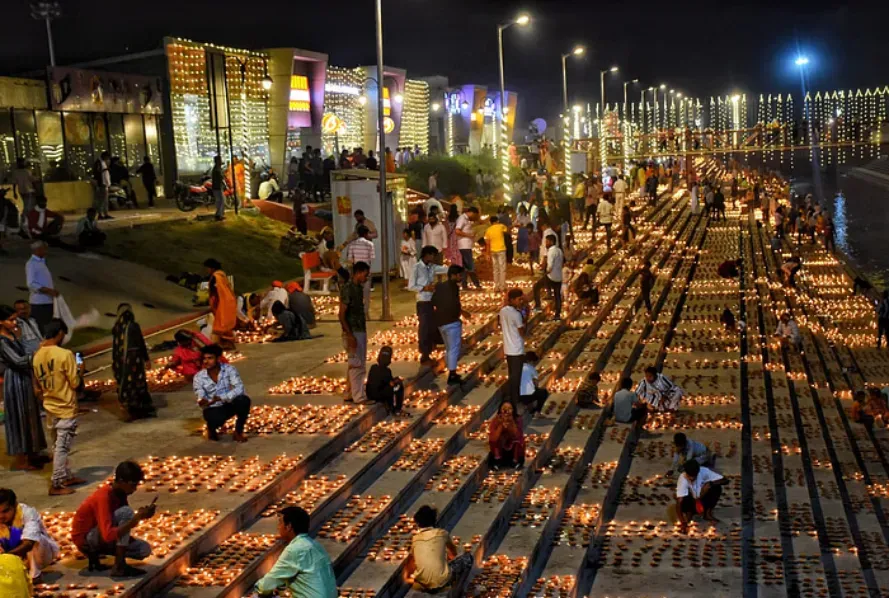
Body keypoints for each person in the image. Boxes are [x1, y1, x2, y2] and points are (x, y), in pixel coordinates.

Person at [32, 318, 87, 495]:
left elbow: (38, 385)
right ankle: (56, 483)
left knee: (58, 444)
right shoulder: (65, 355)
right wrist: (80, 369)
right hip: (65, 407)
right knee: (62, 447)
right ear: (60, 333)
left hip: (49, 406)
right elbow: (74, 383)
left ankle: (65, 476)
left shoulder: (37, 355)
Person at [71, 461, 155, 576]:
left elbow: (120, 527)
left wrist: (143, 516)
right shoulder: (103, 496)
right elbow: (108, 534)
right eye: (132, 485)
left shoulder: (121, 494)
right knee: (126, 512)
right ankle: (119, 566)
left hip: (102, 536)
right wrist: (136, 519)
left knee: (144, 549)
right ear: (121, 481)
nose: (134, 489)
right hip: (87, 540)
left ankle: (117, 562)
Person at [0, 305, 47, 471]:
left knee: (30, 415)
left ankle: (33, 452)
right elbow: (18, 361)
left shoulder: (11, 334)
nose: (14, 322)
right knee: (19, 418)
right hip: (15, 381)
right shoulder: (1, 341)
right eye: (10, 320)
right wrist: (37, 354)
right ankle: (21, 459)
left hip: (24, 378)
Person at [253, 506, 337, 597]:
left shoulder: (295, 550)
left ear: (288, 527)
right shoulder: (316, 545)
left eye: (280, 523)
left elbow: (266, 585)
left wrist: (259, 590)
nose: (278, 527)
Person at [404, 505, 473, 592]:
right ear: (434, 520)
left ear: (417, 523)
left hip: (422, 584)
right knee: (467, 558)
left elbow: (410, 562)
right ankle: (460, 589)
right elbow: (453, 555)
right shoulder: (442, 533)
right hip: (442, 582)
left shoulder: (415, 539)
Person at [193, 344, 251, 441]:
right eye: (204, 358)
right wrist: (202, 400)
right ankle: (211, 429)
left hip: (228, 404)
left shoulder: (229, 370)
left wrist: (222, 397)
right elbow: (200, 392)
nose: (206, 361)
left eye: (210, 358)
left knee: (244, 400)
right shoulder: (199, 377)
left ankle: (238, 432)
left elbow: (239, 388)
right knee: (216, 419)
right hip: (213, 408)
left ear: (218, 358)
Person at [0, 488, 60, 580]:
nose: (1, 516)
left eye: (5, 511)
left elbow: (29, 543)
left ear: (15, 505)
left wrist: (5, 556)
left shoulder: (28, 513)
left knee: (36, 538)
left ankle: (35, 576)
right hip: (10, 557)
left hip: (39, 556)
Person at [111, 304, 155, 421]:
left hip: (120, 363)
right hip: (133, 361)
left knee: (125, 384)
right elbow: (140, 343)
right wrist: (146, 359)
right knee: (136, 384)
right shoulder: (133, 326)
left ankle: (129, 408)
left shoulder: (116, 328)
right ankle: (139, 409)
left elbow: (115, 348)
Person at [409, 246, 449, 366]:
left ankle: (431, 348)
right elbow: (411, 286)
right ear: (427, 255)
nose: (434, 258)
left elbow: (445, 269)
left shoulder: (432, 267)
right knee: (424, 328)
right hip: (422, 302)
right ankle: (424, 355)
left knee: (432, 326)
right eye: (432, 255)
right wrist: (424, 288)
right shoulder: (416, 267)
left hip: (432, 301)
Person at [433, 265, 470, 385]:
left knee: (449, 348)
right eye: (459, 275)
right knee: (453, 348)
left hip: (440, 322)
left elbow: (434, 301)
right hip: (451, 323)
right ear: (453, 275)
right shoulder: (453, 288)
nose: (461, 277)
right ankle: (452, 374)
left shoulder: (440, 286)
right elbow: (454, 304)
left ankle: (451, 370)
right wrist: (458, 316)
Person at [339, 261, 370, 403]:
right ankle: (359, 397)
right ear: (359, 272)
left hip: (360, 329)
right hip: (353, 331)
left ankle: (350, 392)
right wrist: (349, 334)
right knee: (357, 364)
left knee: (355, 363)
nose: (367, 278)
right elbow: (341, 314)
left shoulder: (358, 288)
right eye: (366, 274)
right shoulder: (348, 288)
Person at [675, 460, 728, 533]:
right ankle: (689, 514)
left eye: (694, 476)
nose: (692, 479)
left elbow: (725, 480)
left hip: (702, 498)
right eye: (689, 476)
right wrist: (683, 522)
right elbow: (679, 502)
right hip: (691, 501)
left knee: (717, 488)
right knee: (682, 497)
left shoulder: (704, 471)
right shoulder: (683, 478)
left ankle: (707, 513)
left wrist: (710, 483)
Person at [501, 289, 527, 407]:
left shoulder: (503, 311)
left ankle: (511, 398)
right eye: (519, 299)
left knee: (512, 375)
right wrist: (525, 317)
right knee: (516, 378)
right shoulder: (516, 314)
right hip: (516, 349)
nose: (521, 301)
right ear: (511, 300)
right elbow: (522, 331)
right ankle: (514, 402)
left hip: (508, 348)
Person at [204, 258, 237, 349]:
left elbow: (215, 292)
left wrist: (212, 303)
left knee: (219, 327)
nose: (206, 271)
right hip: (229, 303)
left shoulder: (216, 277)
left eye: (207, 268)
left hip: (223, 304)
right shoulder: (222, 275)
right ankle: (228, 344)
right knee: (226, 326)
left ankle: (219, 346)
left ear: (211, 268)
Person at [344, 225, 376, 320]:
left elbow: (350, 260)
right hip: (366, 272)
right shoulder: (370, 244)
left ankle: (356, 313)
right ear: (366, 234)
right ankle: (366, 314)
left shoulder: (352, 244)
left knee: (355, 294)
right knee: (366, 294)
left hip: (356, 272)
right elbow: (371, 259)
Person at [366, 346, 404, 415]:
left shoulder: (373, 367)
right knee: (398, 386)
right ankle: (396, 408)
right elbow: (390, 384)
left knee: (393, 386)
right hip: (379, 396)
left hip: (370, 395)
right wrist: (397, 381)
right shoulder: (386, 371)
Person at [488, 401, 525, 470]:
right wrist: (501, 426)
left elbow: (517, 435)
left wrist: (511, 423)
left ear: (513, 410)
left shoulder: (518, 420)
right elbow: (493, 439)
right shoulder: (496, 420)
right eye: (504, 409)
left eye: (509, 409)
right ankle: (497, 461)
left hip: (513, 449)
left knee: (517, 441)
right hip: (500, 449)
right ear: (500, 410)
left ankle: (515, 461)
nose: (506, 411)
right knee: (497, 441)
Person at [534, 234, 563, 320]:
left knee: (536, 287)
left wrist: (545, 272)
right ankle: (557, 314)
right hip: (559, 277)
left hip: (551, 276)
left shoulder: (551, 252)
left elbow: (550, 266)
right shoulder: (559, 251)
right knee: (557, 296)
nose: (546, 244)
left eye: (547, 242)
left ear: (551, 242)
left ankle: (538, 306)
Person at [455, 206, 482, 290]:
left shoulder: (467, 219)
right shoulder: (462, 218)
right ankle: (477, 284)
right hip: (464, 246)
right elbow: (457, 231)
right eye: (475, 215)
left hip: (465, 246)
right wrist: (469, 235)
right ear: (472, 213)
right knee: (470, 266)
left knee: (464, 267)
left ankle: (464, 285)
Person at [9, 158, 36, 226]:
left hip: (22, 191)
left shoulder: (16, 172)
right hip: (29, 191)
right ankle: (23, 218)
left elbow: (14, 183)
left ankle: (25, 219)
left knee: (26, 205)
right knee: (27, 206)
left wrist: (15, 192)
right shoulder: (27, 171)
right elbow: (32, 180)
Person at [484, 216, 508, 292]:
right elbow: (507, 231)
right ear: (497, 221)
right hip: (501, 250)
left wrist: (487, 254)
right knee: (502, 269)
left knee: (495, 269)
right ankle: (502, 286)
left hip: (492, 251)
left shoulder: (488, 230)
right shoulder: (501, 226)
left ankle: (496, 287)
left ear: (490, 222)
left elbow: (487, 243)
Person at [92, 151, 111, 220]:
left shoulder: (103, 162)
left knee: (105, 200)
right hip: (101, 183)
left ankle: (105, 213)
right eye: (107, 157)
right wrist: (105, 170)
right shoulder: (98, 162)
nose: (108, 159)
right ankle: (100, 214)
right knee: (101, 200)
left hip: (105, 183)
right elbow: (96, 172)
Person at [211, 155, 226, 221]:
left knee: (220, 201)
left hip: (217, 187)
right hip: (218, 187)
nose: (221, 161)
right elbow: (220, 177)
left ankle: (219, 214)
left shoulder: (216, 168)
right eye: (220, 160)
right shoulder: (217, 169)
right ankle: (219, 215)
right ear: (217, 161)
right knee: (221, 201)